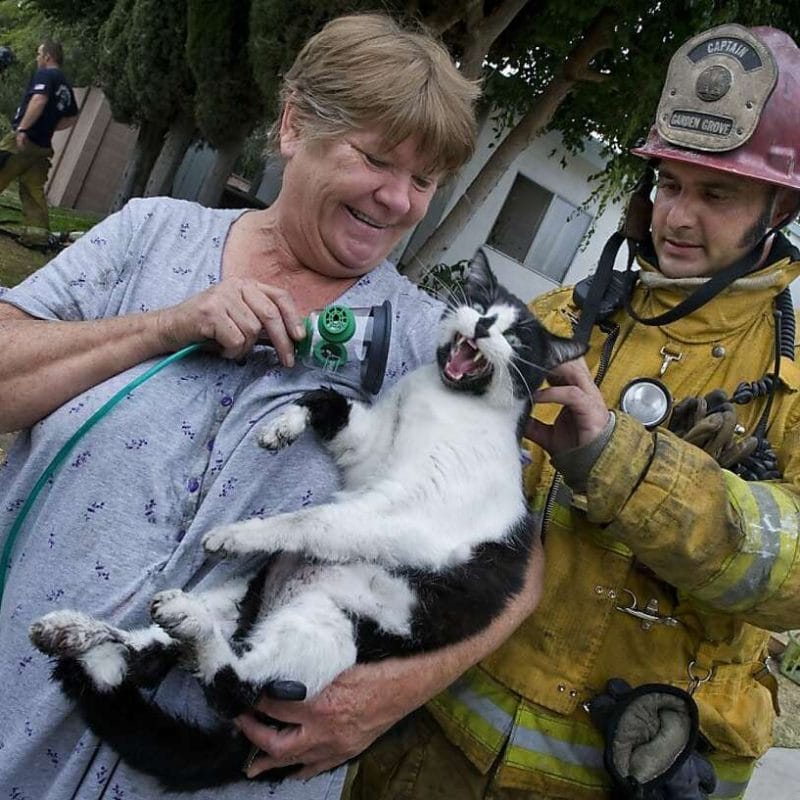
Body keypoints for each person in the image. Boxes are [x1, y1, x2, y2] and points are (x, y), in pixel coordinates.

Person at [231, 23, 800, 800]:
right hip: (428, 743)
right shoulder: (563, 317)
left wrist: (621, 463)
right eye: (668, 185)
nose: (676, 218)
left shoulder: (789, 377)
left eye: (718, 193)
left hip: (622, 775)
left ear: (782, 204)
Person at [0, 13, 537, 800]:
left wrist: (396, 692)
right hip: (22, 707)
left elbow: (511, 558)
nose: (397, 198)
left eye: (423, 180)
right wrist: (165, 325)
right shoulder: (151, 238)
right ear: (294, 126)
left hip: (220, 769)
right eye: (376, 158)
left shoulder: (437, 349)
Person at [0, 40, 78, 248]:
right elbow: (71, 118)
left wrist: (24, 128)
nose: (37, 58)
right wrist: (47, 127)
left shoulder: (45, 75)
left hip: (24, 140)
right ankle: (37, 236)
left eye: (38, 54)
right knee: (33, 189)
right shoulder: (64, 84)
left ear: (47, 57)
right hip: (42, 145)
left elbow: (38, 100)